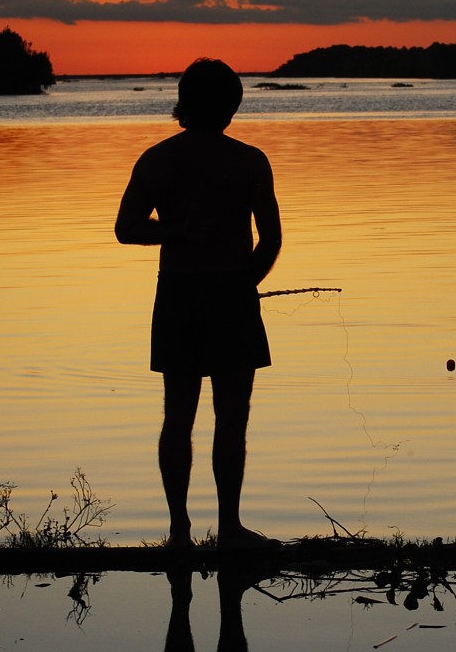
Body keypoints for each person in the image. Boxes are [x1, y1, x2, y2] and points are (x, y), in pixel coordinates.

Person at [116, 58, 282, 549]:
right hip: (219, 296)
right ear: (232, 106)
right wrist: (244, 284)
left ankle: (183, 532)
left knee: (180, 416)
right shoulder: (250, 161)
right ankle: (221, 529)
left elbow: (129, 229)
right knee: (229, 418)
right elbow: (270, 242)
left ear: (184, 104)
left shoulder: (158, 159)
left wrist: (174, 233)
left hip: (184, 296)